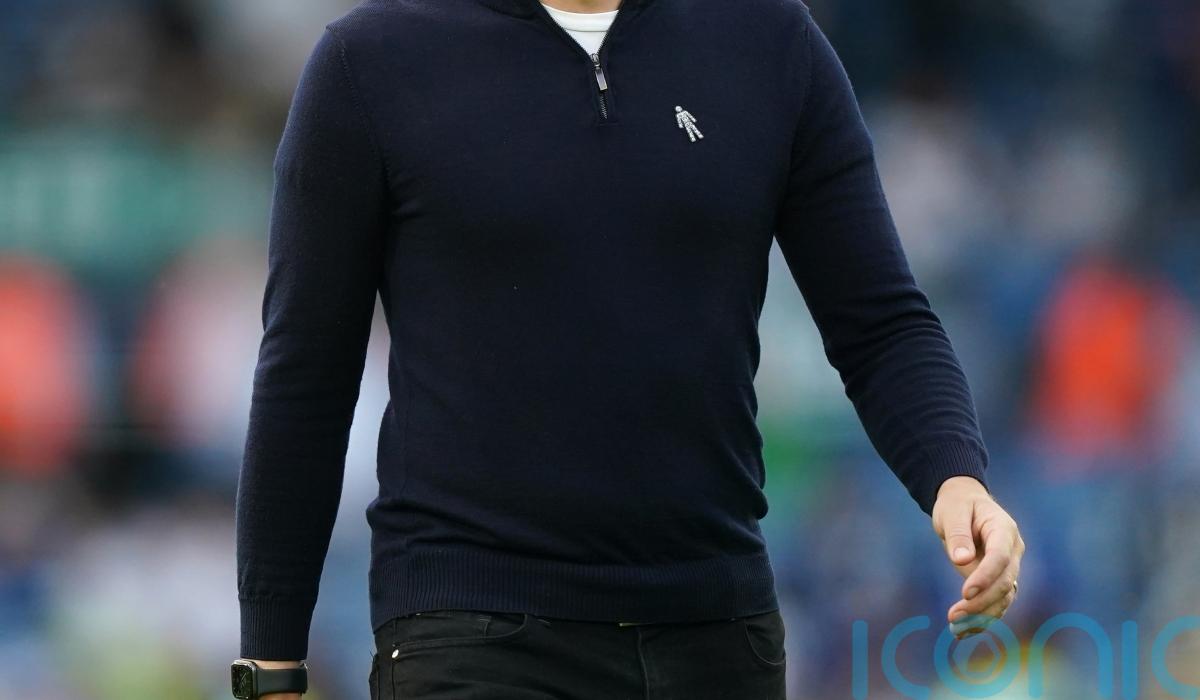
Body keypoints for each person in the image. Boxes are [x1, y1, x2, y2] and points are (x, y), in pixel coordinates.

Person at [231, 0, 1025, 697]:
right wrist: (272, 662)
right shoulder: (371, 62)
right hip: (472, 630)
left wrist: (955, 475)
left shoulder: (771, 40)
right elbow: (307, 375)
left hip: (718, 627)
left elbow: (880, 321)